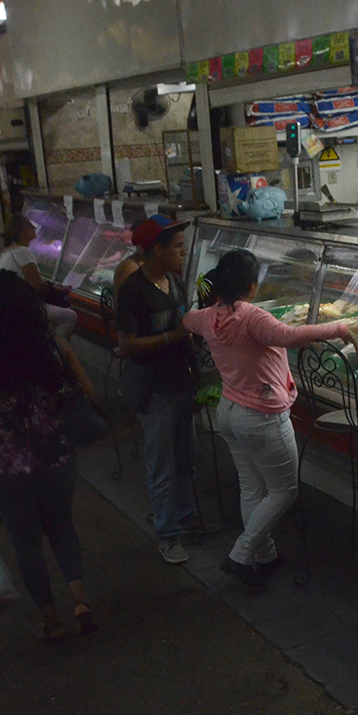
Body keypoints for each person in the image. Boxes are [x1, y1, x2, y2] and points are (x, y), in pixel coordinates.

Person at [183, 250, 358, 591]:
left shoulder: (207, 317)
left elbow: (185, 320)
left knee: (252, 486)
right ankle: (240, 554)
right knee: (283, 490)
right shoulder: (253, 317)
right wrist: (339, 327)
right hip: (262, 418)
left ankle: (263, 557)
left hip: (229, 412)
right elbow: (290, 336)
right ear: (251, 286)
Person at [0, 271, 98, 642]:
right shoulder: (54, 346)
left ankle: (50, 621)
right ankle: (80, 601)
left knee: (26, 541)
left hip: (4, 469)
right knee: (62, 528)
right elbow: (88, 390)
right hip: (55, 459)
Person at [115, 214, 199, 564]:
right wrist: (172, 336)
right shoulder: (133, 291)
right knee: (162, 464)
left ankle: (184, 517)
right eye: (177, 246)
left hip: (182, 383)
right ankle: (167, 534)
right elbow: (127, 345)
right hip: (155, 390)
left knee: (185, 459)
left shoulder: (176, 282)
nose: (183, 252)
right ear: (157, 250)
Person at [0, 213, 78, 340]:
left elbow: (32, 280)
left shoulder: (8, 251)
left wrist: (55, 287)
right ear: (21, 233)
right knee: (70, 316)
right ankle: (57, 351)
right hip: (25, 308)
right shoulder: (22, 252)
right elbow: (39, 285)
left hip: (12, 306)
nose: (34, 228)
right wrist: (56, 290)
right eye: (30, 226)